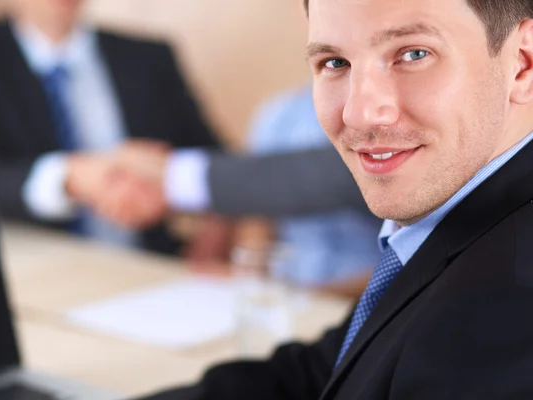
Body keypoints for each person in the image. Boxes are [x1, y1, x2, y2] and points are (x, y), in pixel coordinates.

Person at [130, 0, 533, 398]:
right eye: (334, 63)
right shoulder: (450, 235)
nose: (359, 113)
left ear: (523, 62)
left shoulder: (508, 305)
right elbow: (325, 372)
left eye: (413, 54)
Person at [0, 0, 226, 256]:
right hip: (40, 267)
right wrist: (69, 176)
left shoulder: (150, 58)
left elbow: (215, 159)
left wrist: (212, 228)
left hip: (148, 265)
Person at [232, 84, 379, 291]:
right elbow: (258, 216)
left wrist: (317, 295)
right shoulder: (279, 114)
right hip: (289, 288)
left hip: (370, 293)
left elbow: (409, 251)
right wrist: (257, 282)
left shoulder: (384, 117)